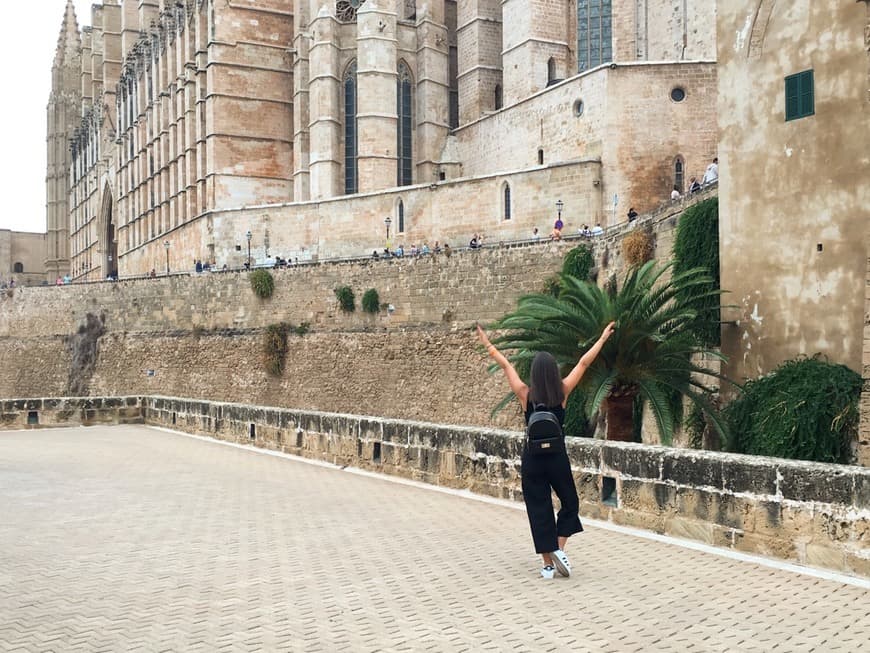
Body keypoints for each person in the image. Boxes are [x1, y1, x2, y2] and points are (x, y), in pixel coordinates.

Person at [477, 321, 615, 579]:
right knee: (570, 502)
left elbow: (506, 365)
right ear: (553, 372)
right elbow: (583, 364)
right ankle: (558, 551)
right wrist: (602, 339)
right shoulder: (562, 391)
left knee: (539, 507)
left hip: (533, 458)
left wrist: (487, 344)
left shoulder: (524, 394)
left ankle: (548, 564)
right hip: (557, 457)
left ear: (534, 373)